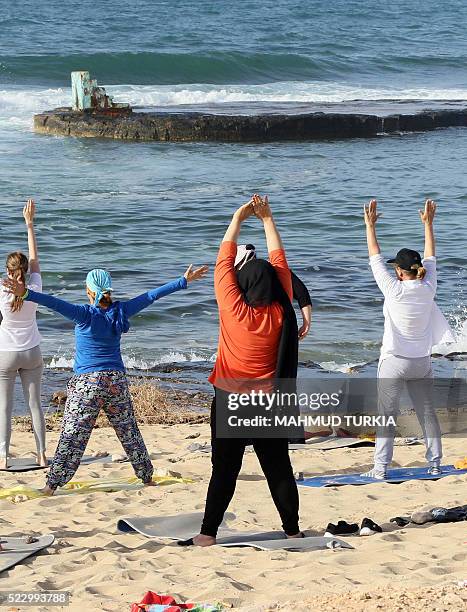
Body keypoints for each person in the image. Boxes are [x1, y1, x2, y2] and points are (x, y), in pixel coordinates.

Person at [3, 262, 208, 493]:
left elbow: (52, 302)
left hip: (87, 384)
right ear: (109, 290)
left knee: (72, 435)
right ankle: (147, 478)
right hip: (115, 382)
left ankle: (51, 487)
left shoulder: (84, 314)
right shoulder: (121, 311)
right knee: (129, 432)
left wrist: (26, 293)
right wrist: (183, 281)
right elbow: (151, 296)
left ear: (89, 291)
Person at [180, 194, 302, 547]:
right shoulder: (281, 311)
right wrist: (267, 220)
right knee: (278, 468)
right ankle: (292, 529)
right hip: (269, 401)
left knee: (225, 470)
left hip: (230, 397)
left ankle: (207, 534)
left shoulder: (234, 307)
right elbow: (280, 263)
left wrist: (240, 216)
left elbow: (223, 260)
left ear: (243, 284)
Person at [362, 199, 455, 479]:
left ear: (400, 272)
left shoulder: (393, 289)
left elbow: (374, 256)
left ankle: (380, 469)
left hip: (394, 362)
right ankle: (435, 463)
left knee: (386, 416)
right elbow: (430, 257)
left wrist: (370, 225)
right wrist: (428, 224)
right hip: (421, 362)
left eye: (396, 269)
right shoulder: (429, 286)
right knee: (427, 414)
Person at [0, 199, 47, 470]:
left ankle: (4, 458)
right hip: (31, 352)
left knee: (5, 408)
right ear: (26, 272)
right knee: (35, 406)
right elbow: (36, 260)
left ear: (8, 272)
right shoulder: (36, 286)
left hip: (6, 353)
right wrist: (29, 225)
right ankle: (41, 456)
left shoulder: (1, 289)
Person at [234, 244, 313, 340]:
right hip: (279, 323)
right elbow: (301, 292)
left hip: (249, 328)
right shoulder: (274, 269)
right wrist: (306, 323)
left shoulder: (235, 278)